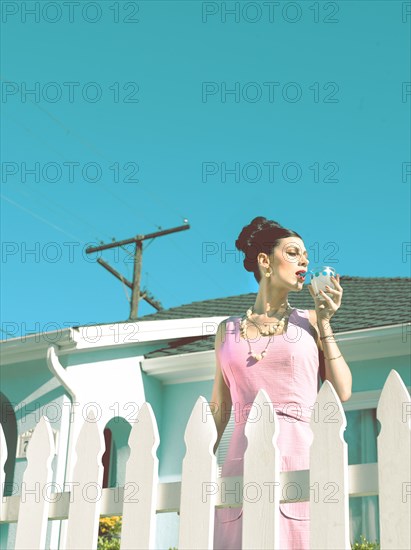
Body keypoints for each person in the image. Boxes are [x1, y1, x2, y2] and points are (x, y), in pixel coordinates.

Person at [211, 216, 352, 550]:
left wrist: (327, 323)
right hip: (240, 462)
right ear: (264, 261)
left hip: (300, 456)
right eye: (293, 252)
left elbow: (343, 390)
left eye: (306, 255)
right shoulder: (226, 330)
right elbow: (220, 407)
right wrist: (197, 467)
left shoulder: (313, 321)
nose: (304, 261)